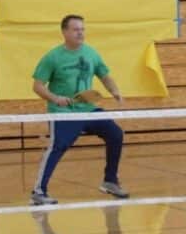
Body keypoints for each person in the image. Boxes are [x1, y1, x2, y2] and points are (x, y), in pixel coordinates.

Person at [30, 14, 130, 205]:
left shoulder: (91, 53)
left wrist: (114, 91)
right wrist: (55, 98)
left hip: (88, 109)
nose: (80, 33)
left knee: (115, 134)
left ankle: (110, 181)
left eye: (82, 29)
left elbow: (104, 74)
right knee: (57, 146)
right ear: (65, 32)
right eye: (76, 29)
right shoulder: (52, 57)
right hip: (64, 113)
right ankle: (39, 191)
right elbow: (38, 86)